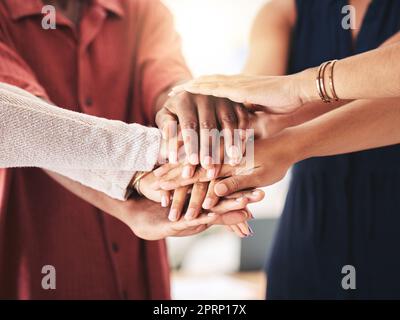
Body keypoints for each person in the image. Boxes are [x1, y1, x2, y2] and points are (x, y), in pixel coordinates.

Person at [0, 0, 258, 299]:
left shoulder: (142, 10)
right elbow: (33, 127)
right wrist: (132, 201)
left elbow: (167, 82)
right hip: (42, 261)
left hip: (141, 268)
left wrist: (186, 110)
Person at [158, 0, 400, 299]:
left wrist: (288, 132)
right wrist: (214, 140)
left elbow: (389, 85)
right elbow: (257, 108)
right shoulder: (284, 10)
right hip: (307, 236)